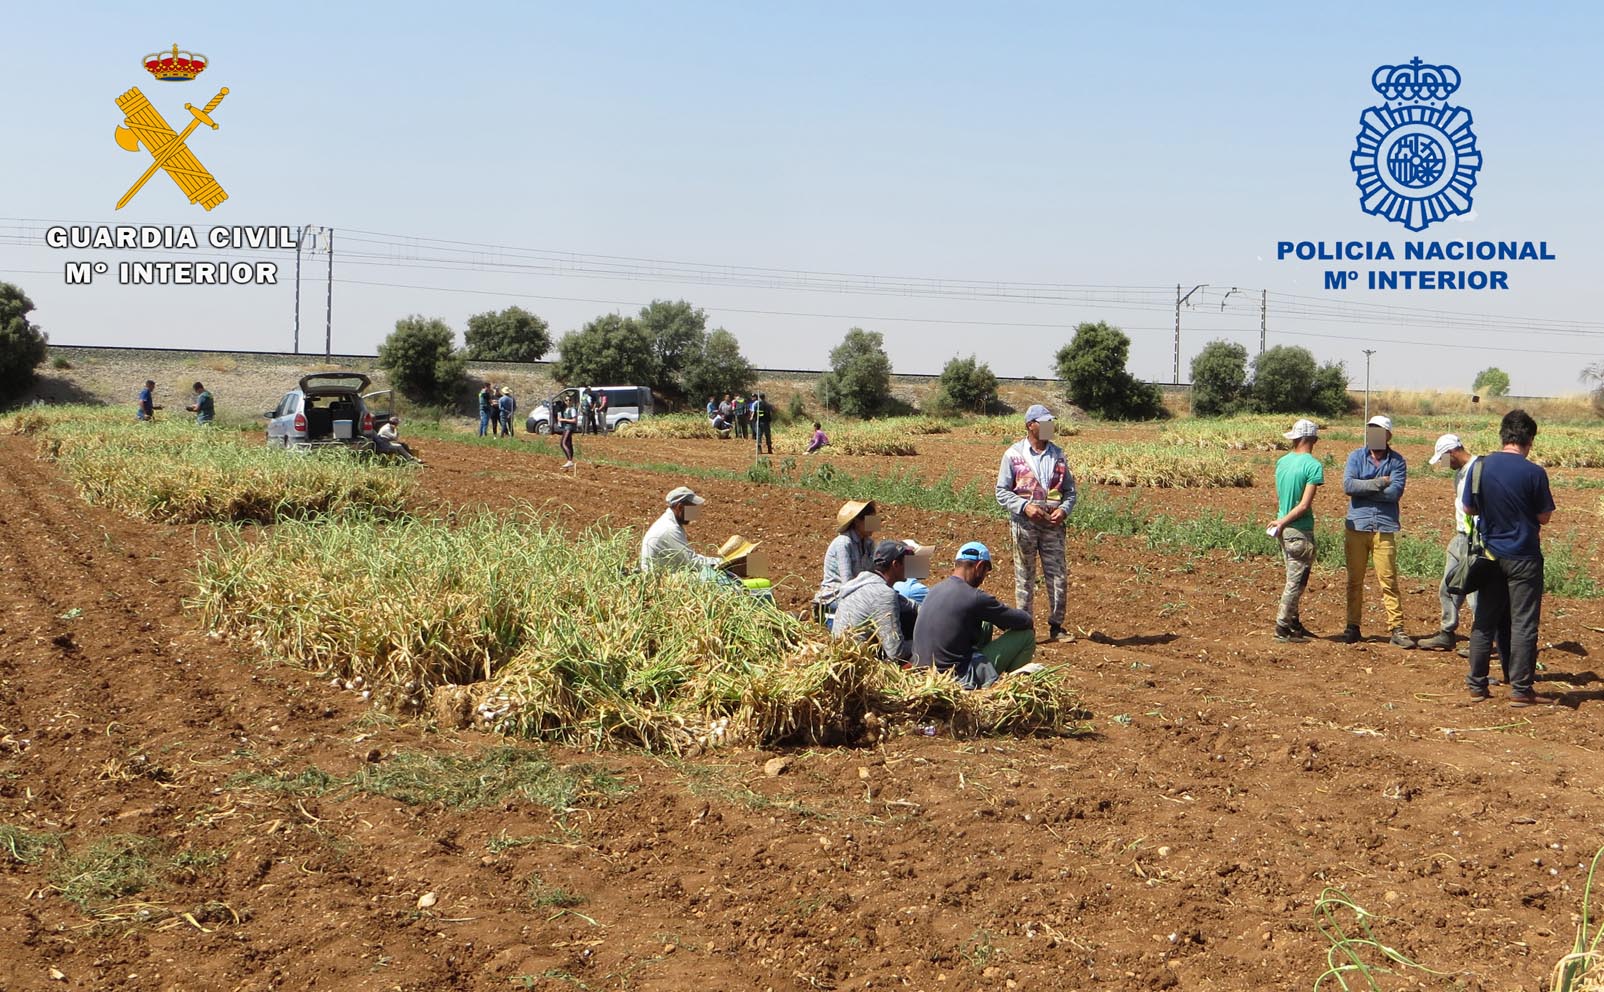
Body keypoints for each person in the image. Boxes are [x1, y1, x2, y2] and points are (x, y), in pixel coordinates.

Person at [1464, 410, 1555, 707]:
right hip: (1524, 558)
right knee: (1524, 624)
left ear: (1503, 436)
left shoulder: (1479, 466)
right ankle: (1520, 690)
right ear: (1528, 439)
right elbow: (1544, 517)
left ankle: (1477, 685)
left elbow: (1469, 509)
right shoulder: (1534, 473)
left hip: (1490, 556)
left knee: (1484, 621)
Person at [995, 404, 1077, 643]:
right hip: (1024, 525)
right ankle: (1024, 627)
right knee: (1024, 575)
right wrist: (1024, 507)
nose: (1050, 427)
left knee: (1057, 575)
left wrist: (1064, 510)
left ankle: (1056, 626)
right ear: (1031, 425)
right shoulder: (1013, 455)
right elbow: (1001, 492)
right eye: (1044, 422)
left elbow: (1070, 492)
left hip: (1053, 525)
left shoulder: (1059, 455)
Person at [911, 542, 1039, 689]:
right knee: (1026, 636)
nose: (984, 577)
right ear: (979, 567)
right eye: (985, 571)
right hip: (956, 678)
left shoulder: (934, 590)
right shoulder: (974, 597)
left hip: (924, 675)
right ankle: (1013, 687)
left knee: (986, 623)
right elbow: (1023, 620)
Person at [1419, 434, 1502, 659]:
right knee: (1448, 586)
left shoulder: (1480, 470)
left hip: (1476, 539)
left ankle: (1485, 642)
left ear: (1452, 452)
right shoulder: (1459, 474)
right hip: (1459, 538)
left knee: (1475, 593)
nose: (1443, 464)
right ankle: (1447, 632)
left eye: (1443, 458)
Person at [1341, 415, 1414, 648]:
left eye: (1378, 431)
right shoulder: (1355, 456)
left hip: (1384, 527)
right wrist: (1380, 482)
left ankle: (1397, 628)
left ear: (1388, 436)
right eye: (1370, 430)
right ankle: (1352, 626)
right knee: (1354, 580)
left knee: (1389, 581)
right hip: (1357, 526)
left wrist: (1364, 487)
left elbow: (1395, 494)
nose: (1373, 435)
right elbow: (1348, 486)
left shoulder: (1398, 461)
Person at [1267, 419, 1324, 642]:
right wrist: (1284, 522)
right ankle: (1282, 627)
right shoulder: (1313, 466)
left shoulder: (1282, 462)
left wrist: (1281, 521)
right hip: (1299, 529)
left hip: (1283, 528)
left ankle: (1294, 623)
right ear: (1313, 440)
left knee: (1292, 576)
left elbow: (1281, 497)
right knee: (1296, 582)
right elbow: (1303, 505)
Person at [832, 540, 919, 664]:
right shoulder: (882, 593)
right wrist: (924, 642)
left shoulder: (864, 583)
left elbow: (911, 606)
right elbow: (896, 652)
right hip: (860, 665)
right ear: (895, 564)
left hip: (841, 656)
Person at [814, 499, 878, 617]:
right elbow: (847, 584)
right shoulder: (843, 543)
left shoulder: (869, 543)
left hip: (860, 593)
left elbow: (873, 574)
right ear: (857, 522)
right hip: (835, 596)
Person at [640, 486, 723, 573]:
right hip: (659, 578)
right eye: (692, 509)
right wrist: (722, 562)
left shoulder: (671, 522)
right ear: (680, 507)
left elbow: (689, 557)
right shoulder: (669, 529)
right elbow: (693, 562)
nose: (694, 513)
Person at [556, 393, 579, 469]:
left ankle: (569, 461)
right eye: (566, 400)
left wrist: (563, 420)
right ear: (565, 401)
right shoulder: (565, 409)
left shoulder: (572, 410)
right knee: (569, 444)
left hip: (569, 428)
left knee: (563, 443)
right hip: (566, 427)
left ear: (571, 401)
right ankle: (570, 461)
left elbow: (574, 420)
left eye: (569, 400)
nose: (568, 401)